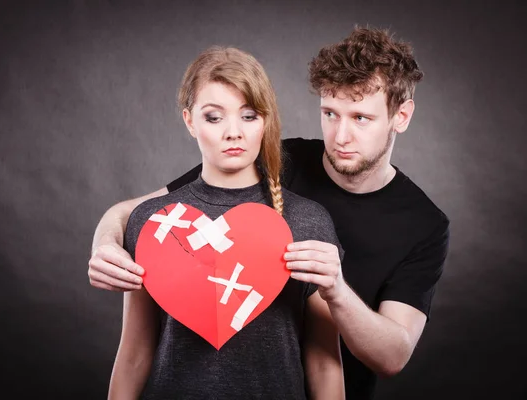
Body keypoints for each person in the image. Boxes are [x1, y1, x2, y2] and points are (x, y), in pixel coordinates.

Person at [91, 27, 450, 400]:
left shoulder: (421, 224)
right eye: (330, 113)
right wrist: (106, 243)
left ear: (401, 116)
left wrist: (336, 290)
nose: (341, 136)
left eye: (361, 118)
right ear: (190, 120)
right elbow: (136, 213)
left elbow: (386, 356)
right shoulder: (270, 157)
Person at [107, 46, 345, 399]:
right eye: (214, 117)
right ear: (190, 121)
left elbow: (324, 361)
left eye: (249, 116)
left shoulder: (307, 221)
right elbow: (134, 354)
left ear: (266, 120)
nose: (233, 132)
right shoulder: (154, 222)